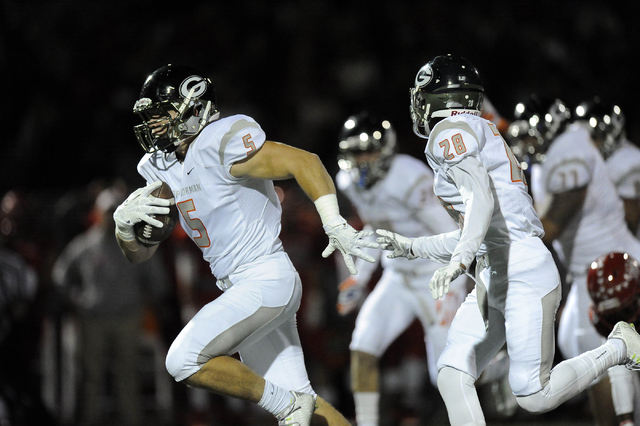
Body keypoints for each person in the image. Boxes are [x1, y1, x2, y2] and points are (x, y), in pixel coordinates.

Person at [374, 54, 640, 426]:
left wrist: (459, 259)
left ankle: (618, 348)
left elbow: (480, 203)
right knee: (452, 373)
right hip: (499, 268)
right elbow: (482, 228)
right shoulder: (478, 131)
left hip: (521, 271)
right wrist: (412, 247)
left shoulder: (447, 133)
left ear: (440, 97)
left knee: (533, 394)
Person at [113, 64, 377, 426]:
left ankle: (286, 405)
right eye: (151, 118)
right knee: (307, 408)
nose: (155, 125)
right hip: (243, 289)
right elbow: (140, 254)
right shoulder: (159, 166)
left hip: (265, 278)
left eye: (163, 114)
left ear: (195, 107)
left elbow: (305, 161)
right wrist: (124, 230)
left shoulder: (219, 141)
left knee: (183, 359)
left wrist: (334, 222)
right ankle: (293, 407)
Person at [333, 111, 469, 426]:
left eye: (368, 151)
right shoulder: (349, 181)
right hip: (397, 278)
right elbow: (374, 226)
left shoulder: (410, 177)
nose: (363, 161)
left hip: (434, 276)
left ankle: (495, 362)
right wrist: (360, 277)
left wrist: (455, 280)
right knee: (362, 346)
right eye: (356, 153)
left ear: (386, 150)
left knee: (445, 374)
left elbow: (453, 231)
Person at [532, 98, 640, 426]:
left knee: (601, 359)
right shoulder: (564, 151)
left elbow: (552, 225)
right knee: (577, 343)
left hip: (614, 268)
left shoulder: (619, 158)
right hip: (591, 271)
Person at [52, 185, 170, 426]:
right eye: (106, 211)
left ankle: (132, 420)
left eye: (114, 211)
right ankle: (89, 420)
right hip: (93, 319)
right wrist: (76, 299)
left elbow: (158, 280)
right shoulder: (84, 245)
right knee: (91, 376)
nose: (109, 216)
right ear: (98, 213)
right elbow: (60, 274)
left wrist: (148, 302)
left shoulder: (136, 242)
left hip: (128, 317)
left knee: (128, 376)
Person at [587, 252, 640, 426]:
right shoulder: (606, 323)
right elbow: (619, 369)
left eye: (625, 309)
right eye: (614, 315)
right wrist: (626, 421)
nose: (621, 319)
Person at [574, 98, 640, 235]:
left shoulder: (628, 162)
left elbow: (630, 223)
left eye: (592, 137)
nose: (585, 143)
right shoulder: (590, 160)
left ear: (610, 135)